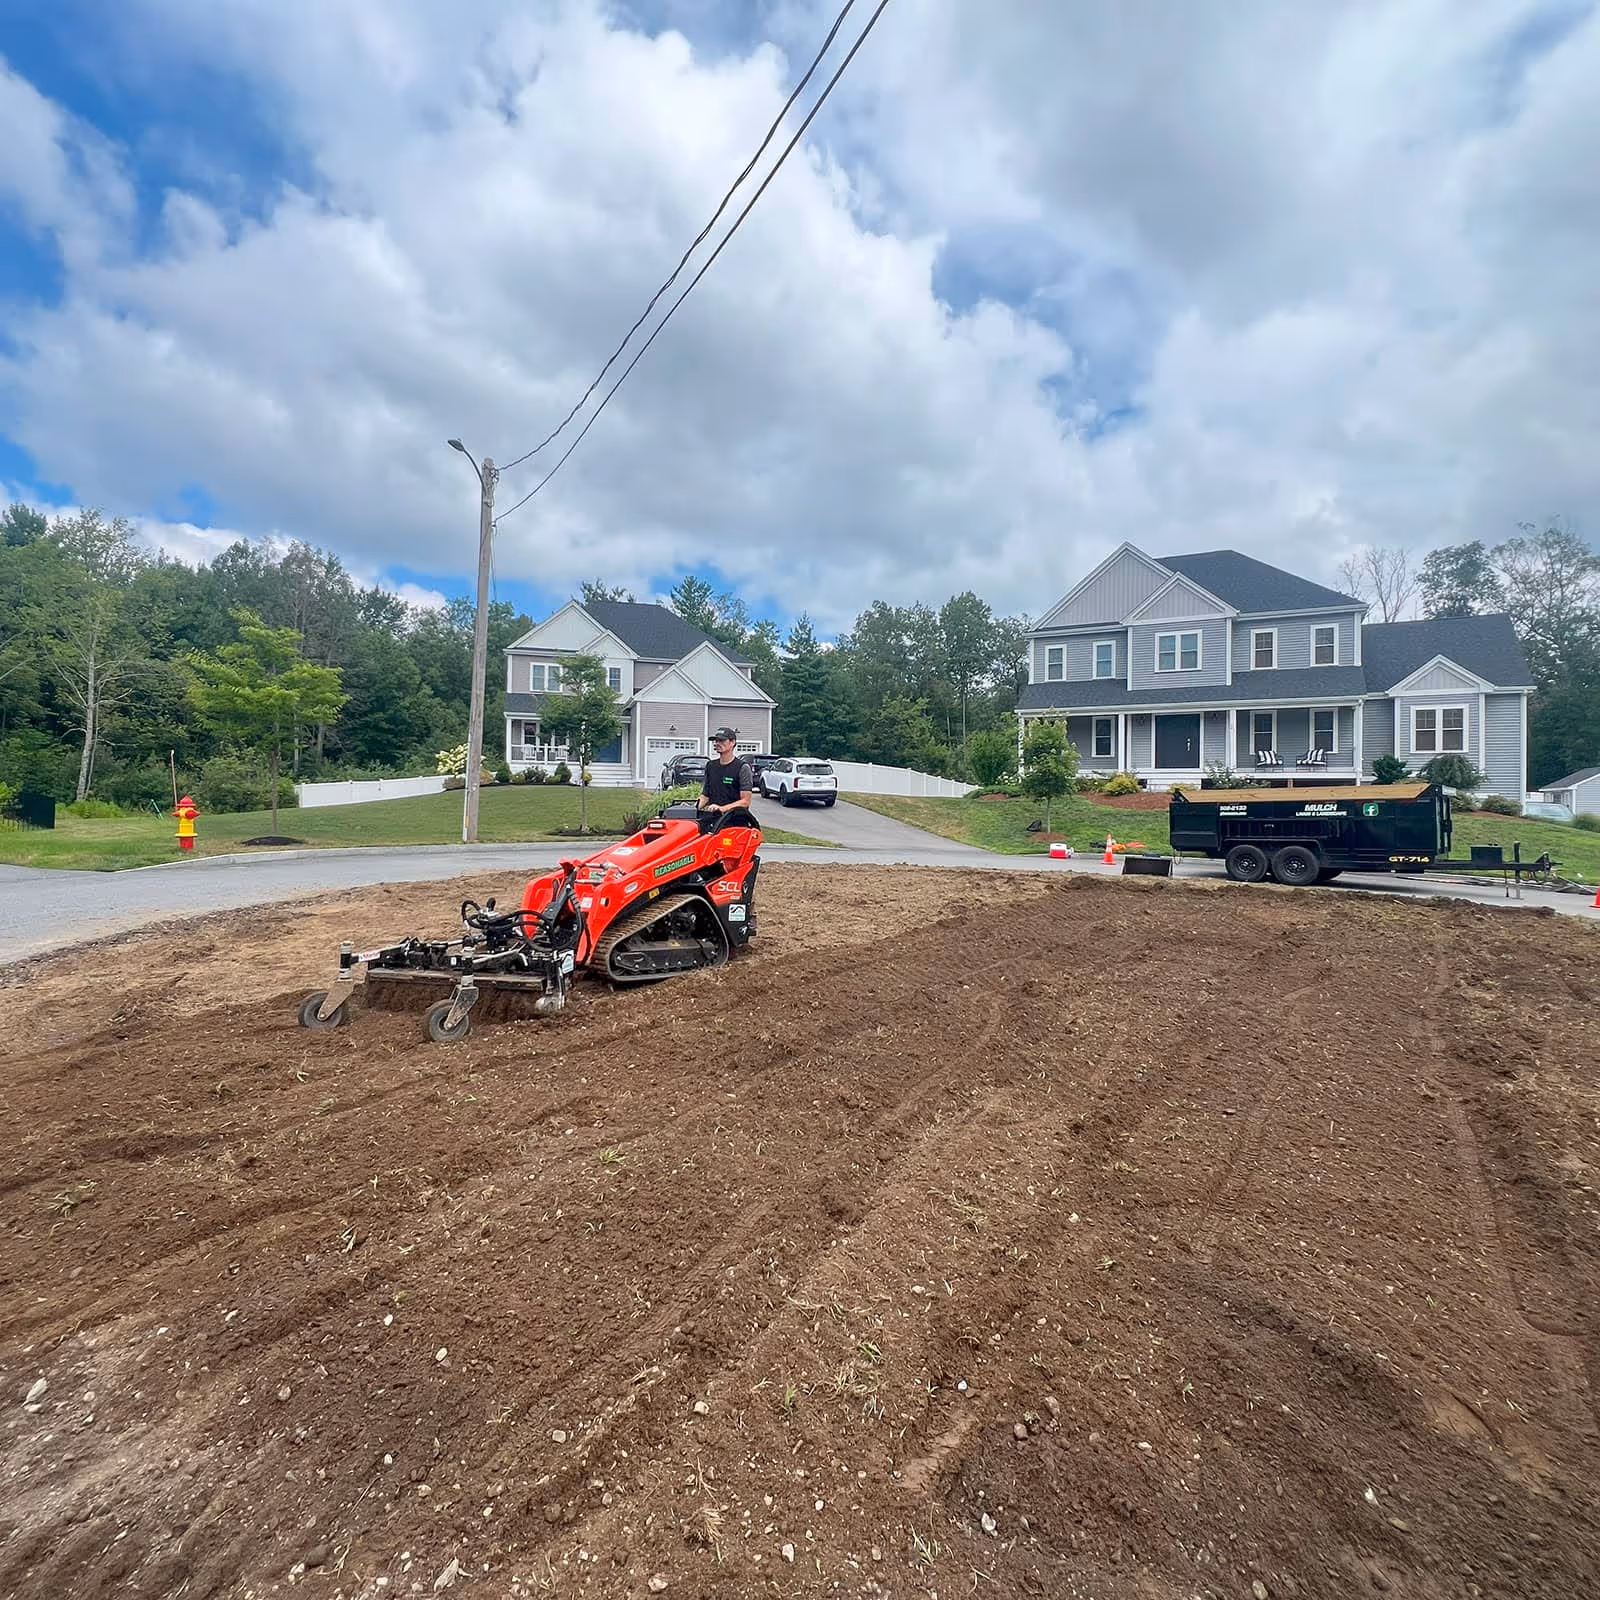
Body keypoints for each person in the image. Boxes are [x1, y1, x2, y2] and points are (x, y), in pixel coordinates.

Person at [699, 727, 756, 823]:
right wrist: (692, 808)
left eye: (722, 740)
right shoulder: (711, 766)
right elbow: (705, 795)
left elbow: (745, 801)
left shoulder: (742, 768)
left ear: (733, 742)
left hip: (735, 821)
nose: (717, 743)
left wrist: (721, 808)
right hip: (713, 820)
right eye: (716, 741)